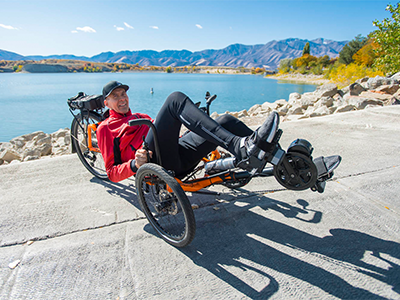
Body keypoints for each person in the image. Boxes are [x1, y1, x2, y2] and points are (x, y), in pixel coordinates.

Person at [97, 81, 279, 183]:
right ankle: (238, 147)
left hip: (179, 154)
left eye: (123, 94)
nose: (122, 99)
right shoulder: (105, 128)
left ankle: (273, 154)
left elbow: (166, 135)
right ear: (106, 103)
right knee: (174, 99)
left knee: (226, 120)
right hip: (156, 165)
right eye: (115, 96)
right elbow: (112, 172)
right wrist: (134, 165)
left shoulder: (140, 115)